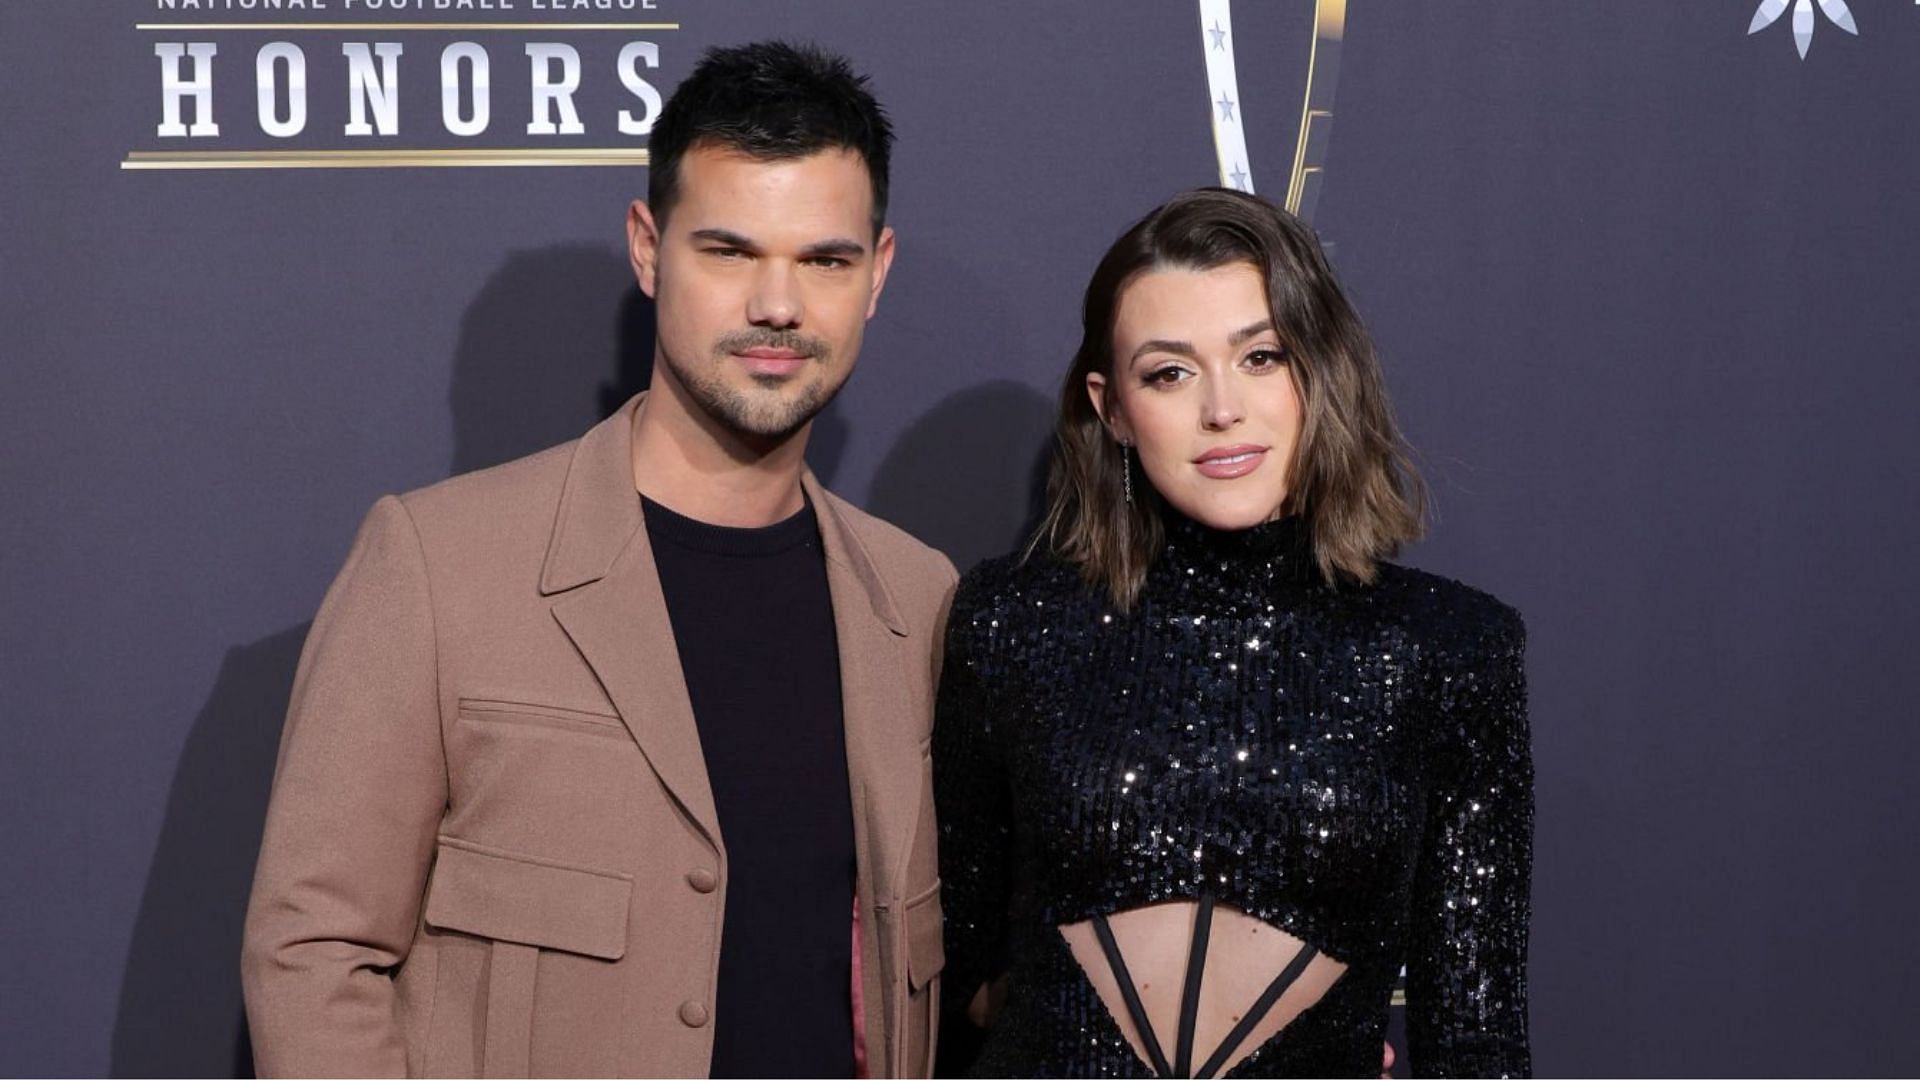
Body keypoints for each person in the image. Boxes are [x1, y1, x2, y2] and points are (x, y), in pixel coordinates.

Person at [242, 42, 955, 1078]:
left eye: (824, 260)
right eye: (728, 251)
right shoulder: (440, 568)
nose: (778, 306)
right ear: (648, 247)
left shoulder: (919, 599)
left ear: (877, 273)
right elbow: (313, 953)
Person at [934, 188, 1532, 1078]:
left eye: (1261, 357)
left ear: (1321, 370)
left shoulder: (1447, 649)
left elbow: (1475, 1036)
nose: (1223, 410)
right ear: (1112, 409)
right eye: (1169, 372)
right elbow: (950, 971)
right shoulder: (1012, 623)